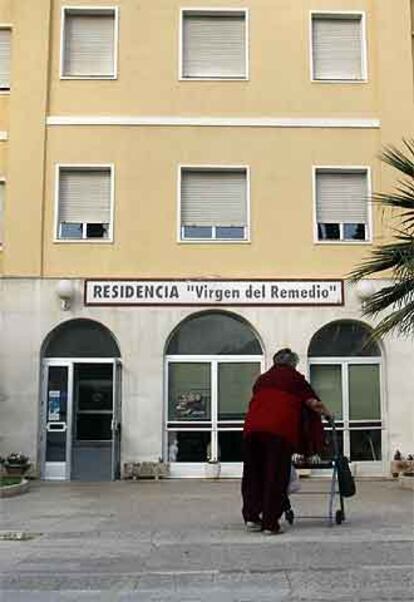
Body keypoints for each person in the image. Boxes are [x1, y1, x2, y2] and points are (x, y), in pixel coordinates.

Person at [241, 348, 331, 535]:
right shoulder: (295, 379)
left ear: (275, 362)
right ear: (293, 363)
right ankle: (270, 523)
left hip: (252, 430)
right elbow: (313, 403)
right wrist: (329, 414)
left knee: (253, 473)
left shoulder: (262, 379)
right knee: (275, 474)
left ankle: (251, 517)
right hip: (278, 431)